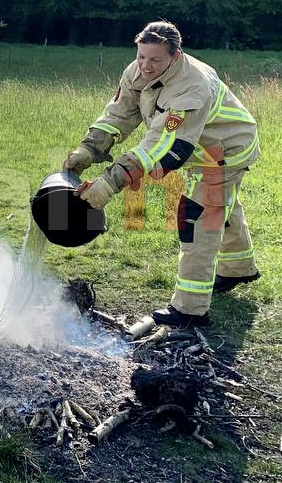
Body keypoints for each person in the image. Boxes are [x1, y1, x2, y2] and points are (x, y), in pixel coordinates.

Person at [64, 21, 261, 328]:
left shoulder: (191, 85)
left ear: (176, 55)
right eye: (141, 56)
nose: (145, 65)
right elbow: (119, 113)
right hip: (201, 147)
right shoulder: (138, 70)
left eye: (155, 60)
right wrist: (89, 149)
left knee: (198, 217)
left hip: (225, 150)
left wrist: (109, 183)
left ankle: (191, 310)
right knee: (221, 206)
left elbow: (160, 142)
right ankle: (238, 269)